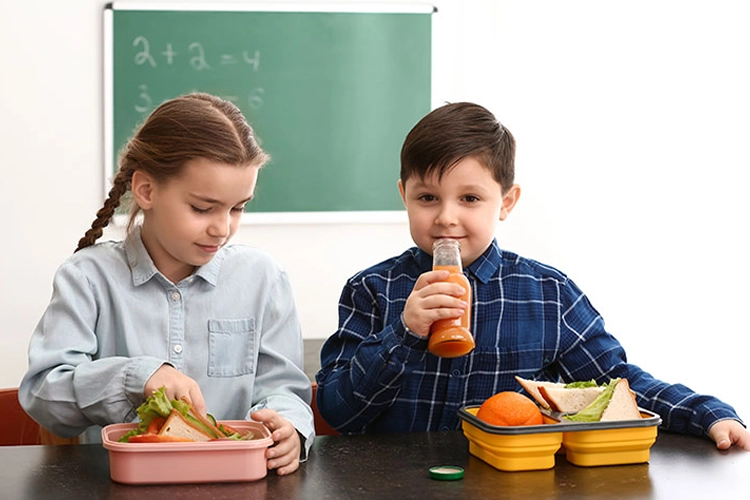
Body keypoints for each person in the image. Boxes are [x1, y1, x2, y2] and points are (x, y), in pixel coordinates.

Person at [315, 101, 750, 450]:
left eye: (469, 198)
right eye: (427, 197)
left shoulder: (549, 294)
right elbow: (338, 412)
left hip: (510, 484)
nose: (446, 217)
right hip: (390, 485)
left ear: (505, 203)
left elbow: (616, 386)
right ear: (403, 196)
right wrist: (405, 332)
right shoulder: (372, 289)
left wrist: (708, 413)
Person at [20, 92, 314, 475]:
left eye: (238, 207)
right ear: (146, 191)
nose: (222, 228)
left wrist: (288, 424)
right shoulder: (87, 278)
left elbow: (283, 388)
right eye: (202, 208)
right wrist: (137, 376)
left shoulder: (263, 279)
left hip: (235, 484)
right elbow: (45, 394)